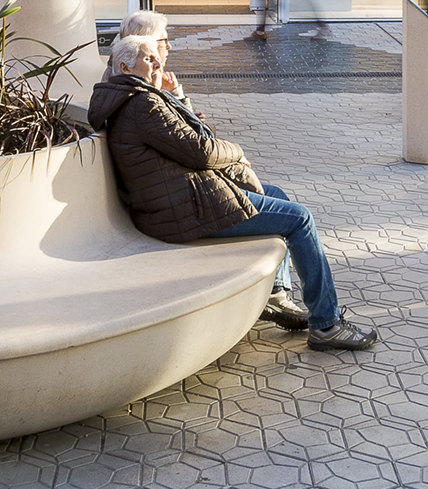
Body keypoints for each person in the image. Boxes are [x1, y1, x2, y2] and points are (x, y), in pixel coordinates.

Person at [89, 33, 379, 352]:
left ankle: (275, 296)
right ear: (123, 65)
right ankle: (326, 324)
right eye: (149, 58)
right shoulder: (142, 104)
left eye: (156, 57)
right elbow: (201, 150)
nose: (158, 62)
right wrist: (236, 150)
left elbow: (189, 140)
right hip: (188, 209)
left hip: (181, 198)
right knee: (300, 219)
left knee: (277, 194)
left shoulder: (131, 99)